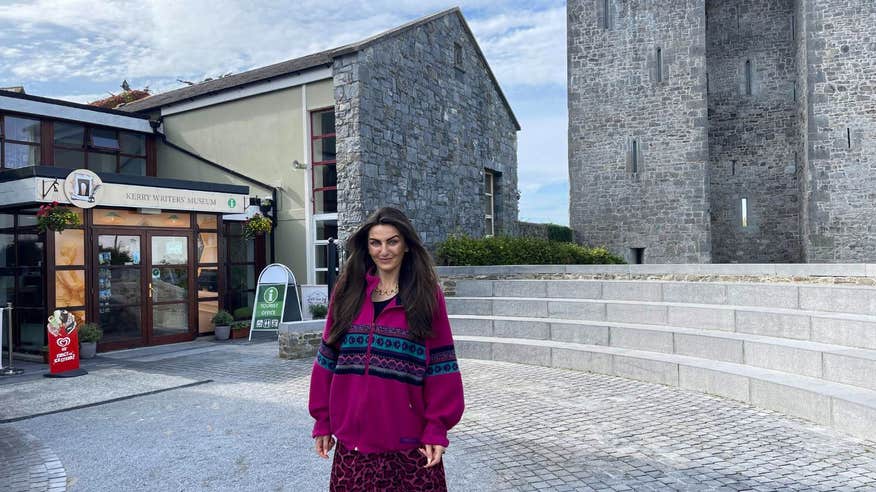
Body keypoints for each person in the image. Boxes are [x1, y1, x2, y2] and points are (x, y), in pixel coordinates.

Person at [309, 207, 465, 491]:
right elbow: (327, 359)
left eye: (392, 241)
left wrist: (436, 427)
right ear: (366, 247)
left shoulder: (427, 297)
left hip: (411, 447)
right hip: (354, 449)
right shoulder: (347, 293)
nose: (384, 250)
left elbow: (442, 367)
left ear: (406, 245)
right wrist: (323, 421)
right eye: (375, 242)